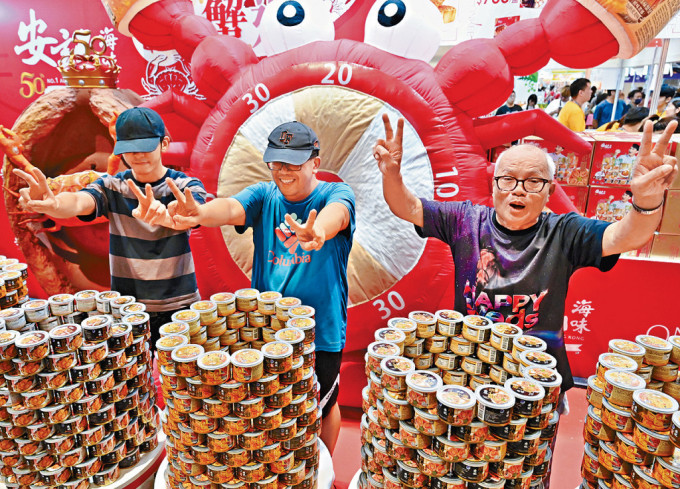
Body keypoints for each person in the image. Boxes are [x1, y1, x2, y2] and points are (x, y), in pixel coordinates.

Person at [373, 113, 678, 487]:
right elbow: (408, 207)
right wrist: (391, 174)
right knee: (462, 471)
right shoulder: (465, 221)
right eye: (509, 180)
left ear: (549, 191)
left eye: (534, 182)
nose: (519, 190)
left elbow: (623, 237)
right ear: (494, 185)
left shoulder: (565, 232)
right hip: (468, 380)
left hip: (536, 383)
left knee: (525, 475)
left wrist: (645, 203)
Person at [134, 121, 355, 455]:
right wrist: (196, 215)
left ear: (315, 163)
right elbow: (230, 208)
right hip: (268, 330)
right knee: (272, 405)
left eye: (293, 163)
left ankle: (323, 468)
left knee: (322, 403)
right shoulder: (263, 195)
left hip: (320, 330)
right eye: (276, 162)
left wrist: (318, 232)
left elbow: (337, 214)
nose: (283, 172)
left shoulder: (334, 194)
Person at [13, 107, 209, 351]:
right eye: (129, 148)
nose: (137, 155)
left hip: (180, 304)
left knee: (180, 378)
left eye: (145, 146)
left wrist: (173, 215)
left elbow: (196, 213)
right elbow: (79, 202)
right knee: (133, 380)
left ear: (164, 143)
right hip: (127, 306)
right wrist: (54, 204)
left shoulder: (184, 185)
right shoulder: (111, 186)